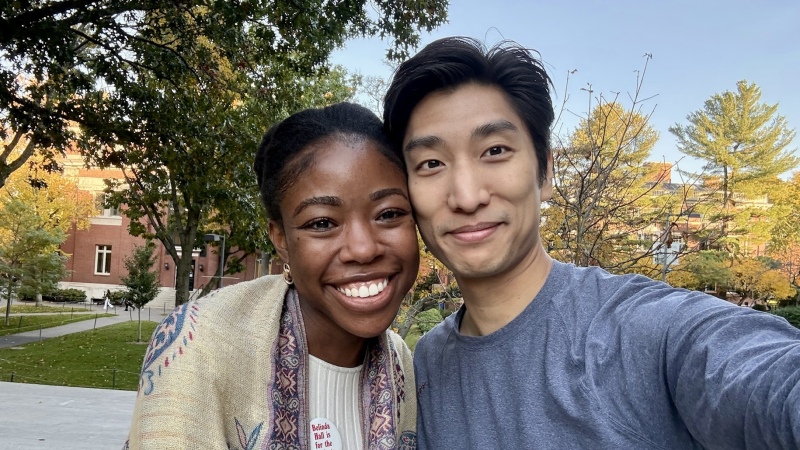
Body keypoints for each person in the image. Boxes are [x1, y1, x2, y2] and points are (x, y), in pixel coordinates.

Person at [382, 36, 800, 449]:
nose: (467, 196)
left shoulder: (640, 335)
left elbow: (767, 379)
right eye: (431, 163)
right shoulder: (427, 364)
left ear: (545, 174)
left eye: (494, 150)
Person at [126, 102, 420, 449]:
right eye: (322, 223)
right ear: (280, 239)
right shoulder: (197, 346)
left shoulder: (399, 361)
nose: (363, 249)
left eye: (388, 214)